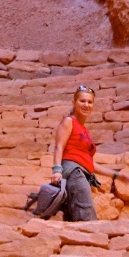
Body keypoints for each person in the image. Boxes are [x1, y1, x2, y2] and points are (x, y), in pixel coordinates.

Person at [50, 85, 99, 221]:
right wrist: (57, 170)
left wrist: (116, 175)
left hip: (82, 173)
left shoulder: (84, 129)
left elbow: (89, 162)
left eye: (90, 102)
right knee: (86, 213)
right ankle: (94, 240)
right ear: (74, 102)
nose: (86, 105)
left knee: (76, 214)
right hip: (74, 172)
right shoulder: (69, 122)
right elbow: (59, 146)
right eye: (82, 101)